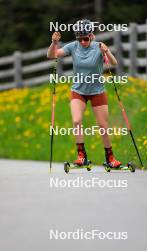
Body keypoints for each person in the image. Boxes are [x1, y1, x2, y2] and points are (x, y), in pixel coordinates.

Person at [47, 19, 122, 168]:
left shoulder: (98, 47)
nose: (82, 42)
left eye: (85, 38)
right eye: (79, 38)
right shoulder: (73, 46)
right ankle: (82, 156)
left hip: (97, 91)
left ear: (91, 35)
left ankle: (110, 158)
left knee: (103, 126)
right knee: (76, 121)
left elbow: (114, 63)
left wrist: (107, 51)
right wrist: (54, 43)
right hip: (78, 91)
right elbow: (52, 55)